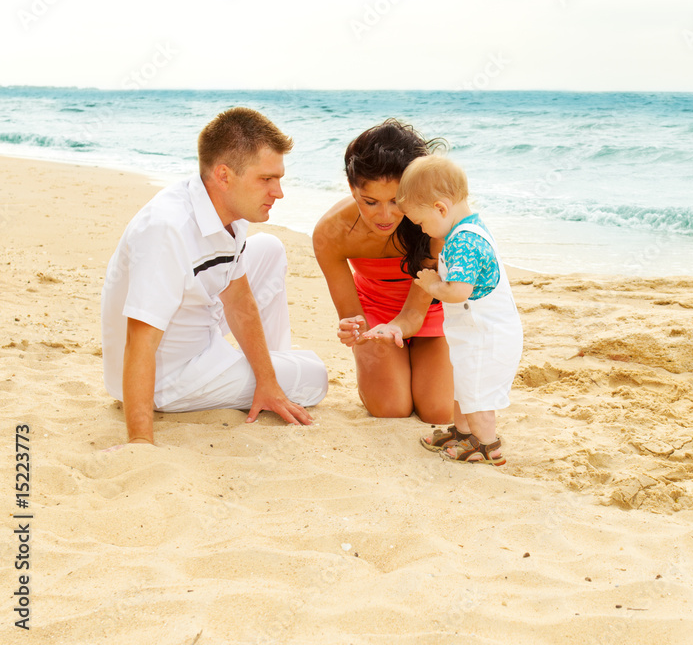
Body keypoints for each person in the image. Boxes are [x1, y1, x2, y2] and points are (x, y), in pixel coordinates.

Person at [101, 107, 328, 445]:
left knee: (269, 248)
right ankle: (269, 374)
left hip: (196, 325)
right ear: (224, 176)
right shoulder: (167, 230)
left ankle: (268, 378)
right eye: (266, 179)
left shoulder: (228, 208)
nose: (278, 192)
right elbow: (140, 341)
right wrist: (140, 442)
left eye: (279, 178)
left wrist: (268, 381)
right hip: (169, 377)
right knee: (317, 376)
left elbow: (239, 300)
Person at [365, 154, 522, 466]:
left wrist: (433, 284)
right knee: (464, 386)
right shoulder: (466, 229)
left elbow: (459, 291)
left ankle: (488, 445)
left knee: (477, 395)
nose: (423, 231)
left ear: (441, 208)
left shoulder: (463, 241)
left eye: (422, 223)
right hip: (475, 332)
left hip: (487, 335)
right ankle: (464, 434)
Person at [312, 119, 452, 423]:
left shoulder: (433, 227)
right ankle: (398, 369)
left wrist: (397, 330)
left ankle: (417, 362)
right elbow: (353, 318)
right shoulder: (331, 233)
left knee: (439, 412)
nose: (385, 215)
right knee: (391, 408)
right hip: (375, 312)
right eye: (371, 201)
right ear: (352, 189)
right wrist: (353, 329)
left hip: (430, 309)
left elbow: (413, 316)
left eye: (396, 200)